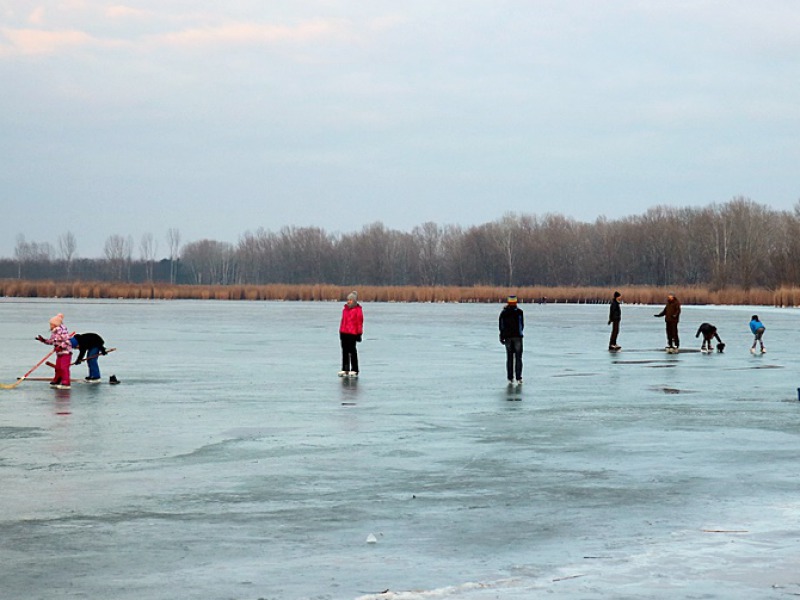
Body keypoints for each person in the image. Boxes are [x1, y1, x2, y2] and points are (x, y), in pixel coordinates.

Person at [36, 313, 72, 389]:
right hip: (59, 353)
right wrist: (44, 340)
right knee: (58, 368)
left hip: (66, 352)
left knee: (63, 368)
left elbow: (68, 341)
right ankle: (57, 380)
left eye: (51, 324)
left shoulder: (62, 331)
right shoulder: (54, 332)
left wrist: (61, 347)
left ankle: (66, 382)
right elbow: (52, 341)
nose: (50, 326)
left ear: (55, 324)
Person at [499, 295, 524, 385]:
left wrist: (501, 336)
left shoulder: (504, 312)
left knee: (509, 358)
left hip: (508, 337)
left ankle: (510, 378)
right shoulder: (519, 312)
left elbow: (501, 326)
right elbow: (522, 324)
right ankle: (518, 377)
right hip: (517, 336)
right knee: (518, 358)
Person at [339, 291, 363, 377]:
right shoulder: (345, 310)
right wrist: (341, 332)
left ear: (354, 301)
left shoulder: (358, 310)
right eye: (348, 300)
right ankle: (345, 369)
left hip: (352, 333)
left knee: (352, 351)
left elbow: (359, 323)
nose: (348, 301)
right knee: (344, 351)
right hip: (344, 332)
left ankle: (354, 369)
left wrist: (359, 334)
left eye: (351, 300)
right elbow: (343, 321)